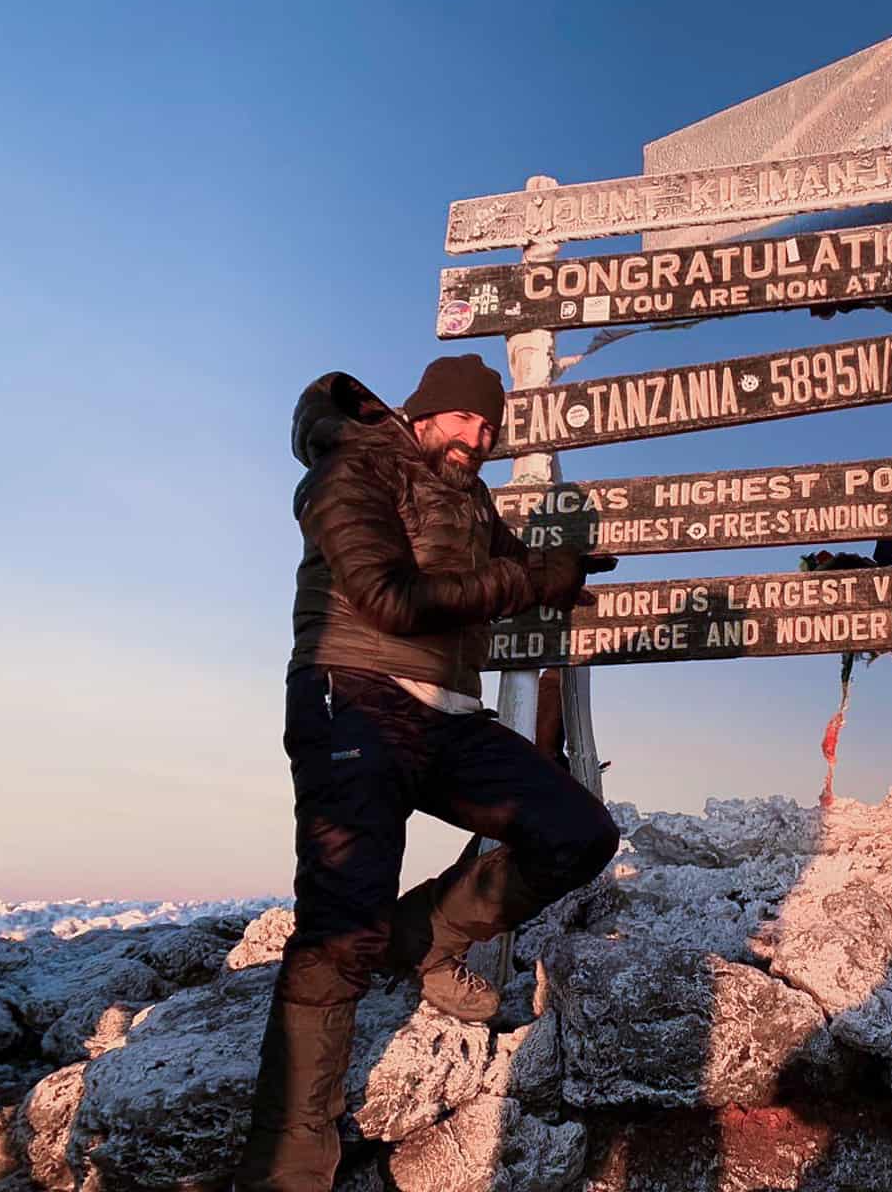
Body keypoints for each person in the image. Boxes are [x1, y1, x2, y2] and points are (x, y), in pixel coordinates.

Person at [235, 355, 621, 1189]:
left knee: (579, 831)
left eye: (489, 428)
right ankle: (288, 1168)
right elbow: (389, 597)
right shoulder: (354, 469)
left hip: (446, 716)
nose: (477, 438)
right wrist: (531, 577)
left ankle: (419, 938)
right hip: (357, 698)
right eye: (463, 421)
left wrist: (567, 575)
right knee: (340, 935)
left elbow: (511, 572)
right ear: (423, 413)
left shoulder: (471, 495)